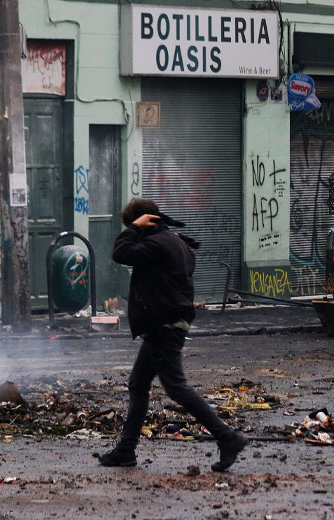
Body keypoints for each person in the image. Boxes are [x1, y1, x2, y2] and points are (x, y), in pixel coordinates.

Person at [99, 198, 248, 472]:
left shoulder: (158, 243)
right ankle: (125, 450)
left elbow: (121, 253)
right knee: (138, 384)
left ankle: (228, 438)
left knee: (176, 387)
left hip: (163, 324)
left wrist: (134, 227)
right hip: (164, 322)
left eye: (136, 225)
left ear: (145, 223)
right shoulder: (173, 242)